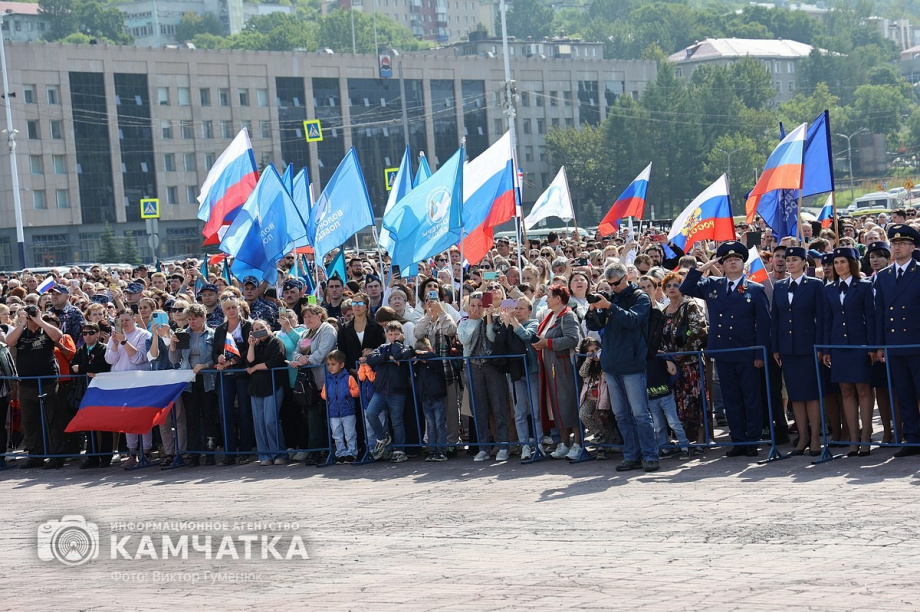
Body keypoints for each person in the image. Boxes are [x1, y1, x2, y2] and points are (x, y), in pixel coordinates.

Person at [681, 242, 770, 458]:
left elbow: (764, 325)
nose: (732, 263)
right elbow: (686, 288)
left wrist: (760, 354)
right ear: (721, 264)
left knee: (750, 397)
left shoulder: (755, 290)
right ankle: (738, 439)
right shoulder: (713, 284)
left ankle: (752, 440)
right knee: (730, 398)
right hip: (723, 351)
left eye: (737, 260)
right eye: (727, 260)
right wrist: (705, 265)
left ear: (743, 265)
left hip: (747, 351)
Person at [586, 262, 660, 473]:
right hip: (611, 364)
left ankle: (650, 455)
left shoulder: (640, 297)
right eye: (610, 284)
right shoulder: (611, 299)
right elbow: (593, 326)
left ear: (626, 277)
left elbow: (633, 320)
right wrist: (593, 311)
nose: (614, 287)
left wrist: (610, 307)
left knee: (640, 414)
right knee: (620, 415)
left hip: (633, 364)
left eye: (616, 283)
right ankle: (631, 456)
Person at [770, 246, 825, 457]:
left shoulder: (815, 285)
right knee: (795, 395)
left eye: (794, 259)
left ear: (804, 262)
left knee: (811, 394)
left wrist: (820, 346)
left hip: (808, 346)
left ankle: (814, 437)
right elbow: (776, 320)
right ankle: (802, 436)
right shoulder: (780, 286)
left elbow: (821, 318)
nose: (790, 262)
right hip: (787, 347)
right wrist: (776, 347)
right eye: (787, 259)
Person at [823, 247, 875, 457]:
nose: (839, 266)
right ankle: (853, 439)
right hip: (838, 346)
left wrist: (871, 347)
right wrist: (827, 348)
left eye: (843, 262)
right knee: (845, 390)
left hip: (859, 344)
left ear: (852, 264)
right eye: (836, 263)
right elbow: (827, 320)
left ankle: (866, 438)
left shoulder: (864, 286)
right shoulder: (829, 289)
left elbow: (870, 318)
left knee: (863, 389)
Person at [874, 224, 920, 458]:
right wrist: (881, 345)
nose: (897, 247)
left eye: (902, 244)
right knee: (904, 393)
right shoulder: (884, 276)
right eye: (894, 244)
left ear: (913, 248)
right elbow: (880, 312)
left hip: (916, 343)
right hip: (894, 344)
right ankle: (912, 438)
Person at [532, 285, 583, 460]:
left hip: (564, 368)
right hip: (552, 367)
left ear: (558, 298)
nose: (546, 299)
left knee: (569, 404)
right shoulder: (551, 316)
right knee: (556, 406)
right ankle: (564, 443)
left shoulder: (568, 316)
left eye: (549, 296)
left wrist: (547, 343)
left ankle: (578, 443)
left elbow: (572, 339)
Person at [459, 293, 511, 462]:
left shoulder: (494, 319)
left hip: (492, 366)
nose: (476, 309)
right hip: (473, 366)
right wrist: (474, 320)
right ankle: (484, 448)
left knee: (499, 406)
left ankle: (503, 445)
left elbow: (492, 337)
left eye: (479, 305)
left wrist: (487, 317)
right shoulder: (464, 323)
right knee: (479, 408)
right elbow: (465, 339)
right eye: (472, 305)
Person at [659, 271, 708, 448]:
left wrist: (685, 352)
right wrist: (667, 356)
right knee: (676, 404)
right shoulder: (664, 311)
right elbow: (661, 337)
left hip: (691, 364)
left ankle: (701, 440)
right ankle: (685, 441)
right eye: (668, 285)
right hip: (672, 366)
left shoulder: (690, 305)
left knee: (696, 401)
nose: (672, 288)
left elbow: (700, 331)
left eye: (676, 285)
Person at [168, 303, 216, 467]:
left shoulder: (213, 334)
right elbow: (174, 360)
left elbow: (217, 358)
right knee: (192, 418)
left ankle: (210, 453)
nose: (192, 321)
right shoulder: (183, 334)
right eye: (189, 319)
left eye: (195, 318)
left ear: (203, 318)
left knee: (209, 417)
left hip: (208, 380)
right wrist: (173, 346)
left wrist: (204, 366)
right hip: (189, 381)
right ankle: (194, 454)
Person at [291, 304, 338, 465]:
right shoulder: (305, 333)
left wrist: (307, 360)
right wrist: (299, 359)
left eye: (311, 315)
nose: (307, 319)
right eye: (305, 316)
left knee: (328, 417)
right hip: (310, 384)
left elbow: (323, 352)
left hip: (326, 380)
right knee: (313, 417)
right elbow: (296, 351)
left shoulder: (327, 329)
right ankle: (316, 450)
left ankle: (330, 449)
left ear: (320, 315)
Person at [104, 309, 152, 468]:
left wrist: (124, 342)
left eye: (127, 320)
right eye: (121, 320)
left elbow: (139, 358)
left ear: (134, 319)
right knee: (128, 420)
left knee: (142, 418)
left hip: (139, 382)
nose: (124, 323)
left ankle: (146, 452)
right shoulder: (115, 336)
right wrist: (116, 344)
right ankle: (132, 454)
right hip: (121, 383)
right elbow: (110, 359)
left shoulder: (143, 334)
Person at [495, 297, 540, 460]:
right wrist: (506, 321)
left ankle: (539, 443)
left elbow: (527, 336)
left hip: (532, 370)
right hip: (514, 373)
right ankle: (525, 445)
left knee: (535, 411)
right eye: (516, 308)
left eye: (521, 308)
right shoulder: (508, 323)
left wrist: (512, 320)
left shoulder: (533, 323)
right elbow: (499, 342)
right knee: (520, 411)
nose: (518, 311)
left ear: (529, 310)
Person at [366, 321, 416, 463]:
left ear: (402, 335)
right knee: (370, 414)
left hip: (397, 392)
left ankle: (400, 450)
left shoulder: (405, 347)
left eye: (396, 334)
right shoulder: (382, 348)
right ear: (386, 335)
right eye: (391, 334)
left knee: (397, 421)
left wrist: (396, 346)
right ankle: (383, 437)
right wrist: (387, 358)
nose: (393, 336)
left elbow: (404, 355)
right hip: (381, 390)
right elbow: (371, 359)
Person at [212, 296, 253, 466]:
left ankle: (244, 451)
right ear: (223, 310)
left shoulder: (248, 325)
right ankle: (229, 452)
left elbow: (249, 349)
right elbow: (214, 351)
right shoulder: (220, 329)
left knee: (244, 412)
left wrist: (233, 362)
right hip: (226, 376)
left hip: (242, 373)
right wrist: (219, 358)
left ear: (239, 308)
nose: (231, 310)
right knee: (225, 413)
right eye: (228, 308)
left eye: (234, 307)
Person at [246, 318, 289, 465]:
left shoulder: (276, 342)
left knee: (270, 420)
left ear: (268, 327)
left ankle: (279, 453)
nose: (258, 330)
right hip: (256, 387)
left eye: (261, 327)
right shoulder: (256, 344)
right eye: (255, 328)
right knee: (259, 422)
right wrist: (251, 346)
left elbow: (275, 361)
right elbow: (249, 362)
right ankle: (265, 455)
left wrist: (256, 368)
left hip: (273, 385)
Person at [70, 322, 112, 468]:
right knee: (89, 425)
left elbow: (101, 366)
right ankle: (92, 457)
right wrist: (84, 369)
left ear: (98, 334)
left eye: (91, 333)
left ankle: (106, 457)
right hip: (85, 390)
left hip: (101, 391)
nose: (88, 336)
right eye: (85, 333)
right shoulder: (81, 350)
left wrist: (81, 368)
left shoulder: (103, 349)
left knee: (105, 425)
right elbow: (72, 367)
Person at [412, 337, 449, 461]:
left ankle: (442, 450)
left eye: (425, 350)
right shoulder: (418, 365)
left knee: (440, 424)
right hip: (425, 397)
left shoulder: (435, 359)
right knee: (431, 425)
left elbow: (431, 357)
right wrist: (416, 359)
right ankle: (432, 450)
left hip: (437, 396)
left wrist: (423, 356)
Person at [321, 350, 360, 463]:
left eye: (333, 364)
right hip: (333, 412)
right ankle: (341, 453)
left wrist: (347, 393)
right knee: (337, 435)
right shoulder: (328, 379)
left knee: (350, 434)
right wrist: (327, 396)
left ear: (341, 365)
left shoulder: (349, 378)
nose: (330, 367)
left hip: (347, 411)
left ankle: (352, 453)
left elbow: (356, 391)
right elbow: (323, 393)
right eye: (328, 364)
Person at [337, 293, 386, 378]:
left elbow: (380, 347)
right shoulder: (344, 328)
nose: (356, 306)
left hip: (373, 371)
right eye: (354, 303)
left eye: (360, 303)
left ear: (367, 307)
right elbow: (342, 351)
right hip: (352, 373)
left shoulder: (376, 327)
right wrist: (351, 369)